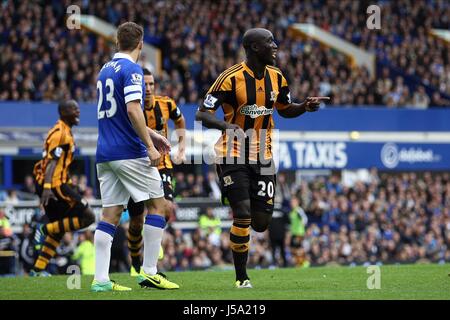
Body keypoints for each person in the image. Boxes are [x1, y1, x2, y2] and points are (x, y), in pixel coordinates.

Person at [196, 27, 329, 288]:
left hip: (264, 155)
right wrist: (226, 126)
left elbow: (285, 109)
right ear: (255, 47)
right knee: (243, 213)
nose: (275, 45)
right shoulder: (230, 78)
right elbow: (202, 114)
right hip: (233, 152)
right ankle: (241, 278)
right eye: (270, 42)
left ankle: (231, 193)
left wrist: (303, 107)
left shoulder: (277, 77)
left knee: (260, 223)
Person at [92, 21, 179, 292]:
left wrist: (151, 133)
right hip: (129, 152)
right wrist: (150, 147)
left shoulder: (105, 70)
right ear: (140, 44)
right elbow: (132, 110)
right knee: (159, 206)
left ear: (118, 42)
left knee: (110, 215)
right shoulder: (133, 70)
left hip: (105, 153)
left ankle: (101, 280)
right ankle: (150, 272)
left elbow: (121, 115)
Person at [126, 67, 186, 275]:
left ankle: (154, 236)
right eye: (145, 84)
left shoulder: (167, 103)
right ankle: (135, 260)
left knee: (166, 207)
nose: (149, 88)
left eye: (151, 84)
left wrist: (182, 148)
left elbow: (180, 120)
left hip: (162, 165)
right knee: (135, 222)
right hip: (137, 166)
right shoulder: (132, 107)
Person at [30, 100, 96, 276]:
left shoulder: (64, 131)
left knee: (60, 229)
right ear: (64, 112)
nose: (78, 112)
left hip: (57, 182)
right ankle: (44, 229)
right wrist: (47, 187)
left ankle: (37, 270)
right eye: (74, 109)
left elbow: (58, 163)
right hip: (54, 185)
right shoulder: (60, 133)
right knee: (88, 216)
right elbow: (52, 162)